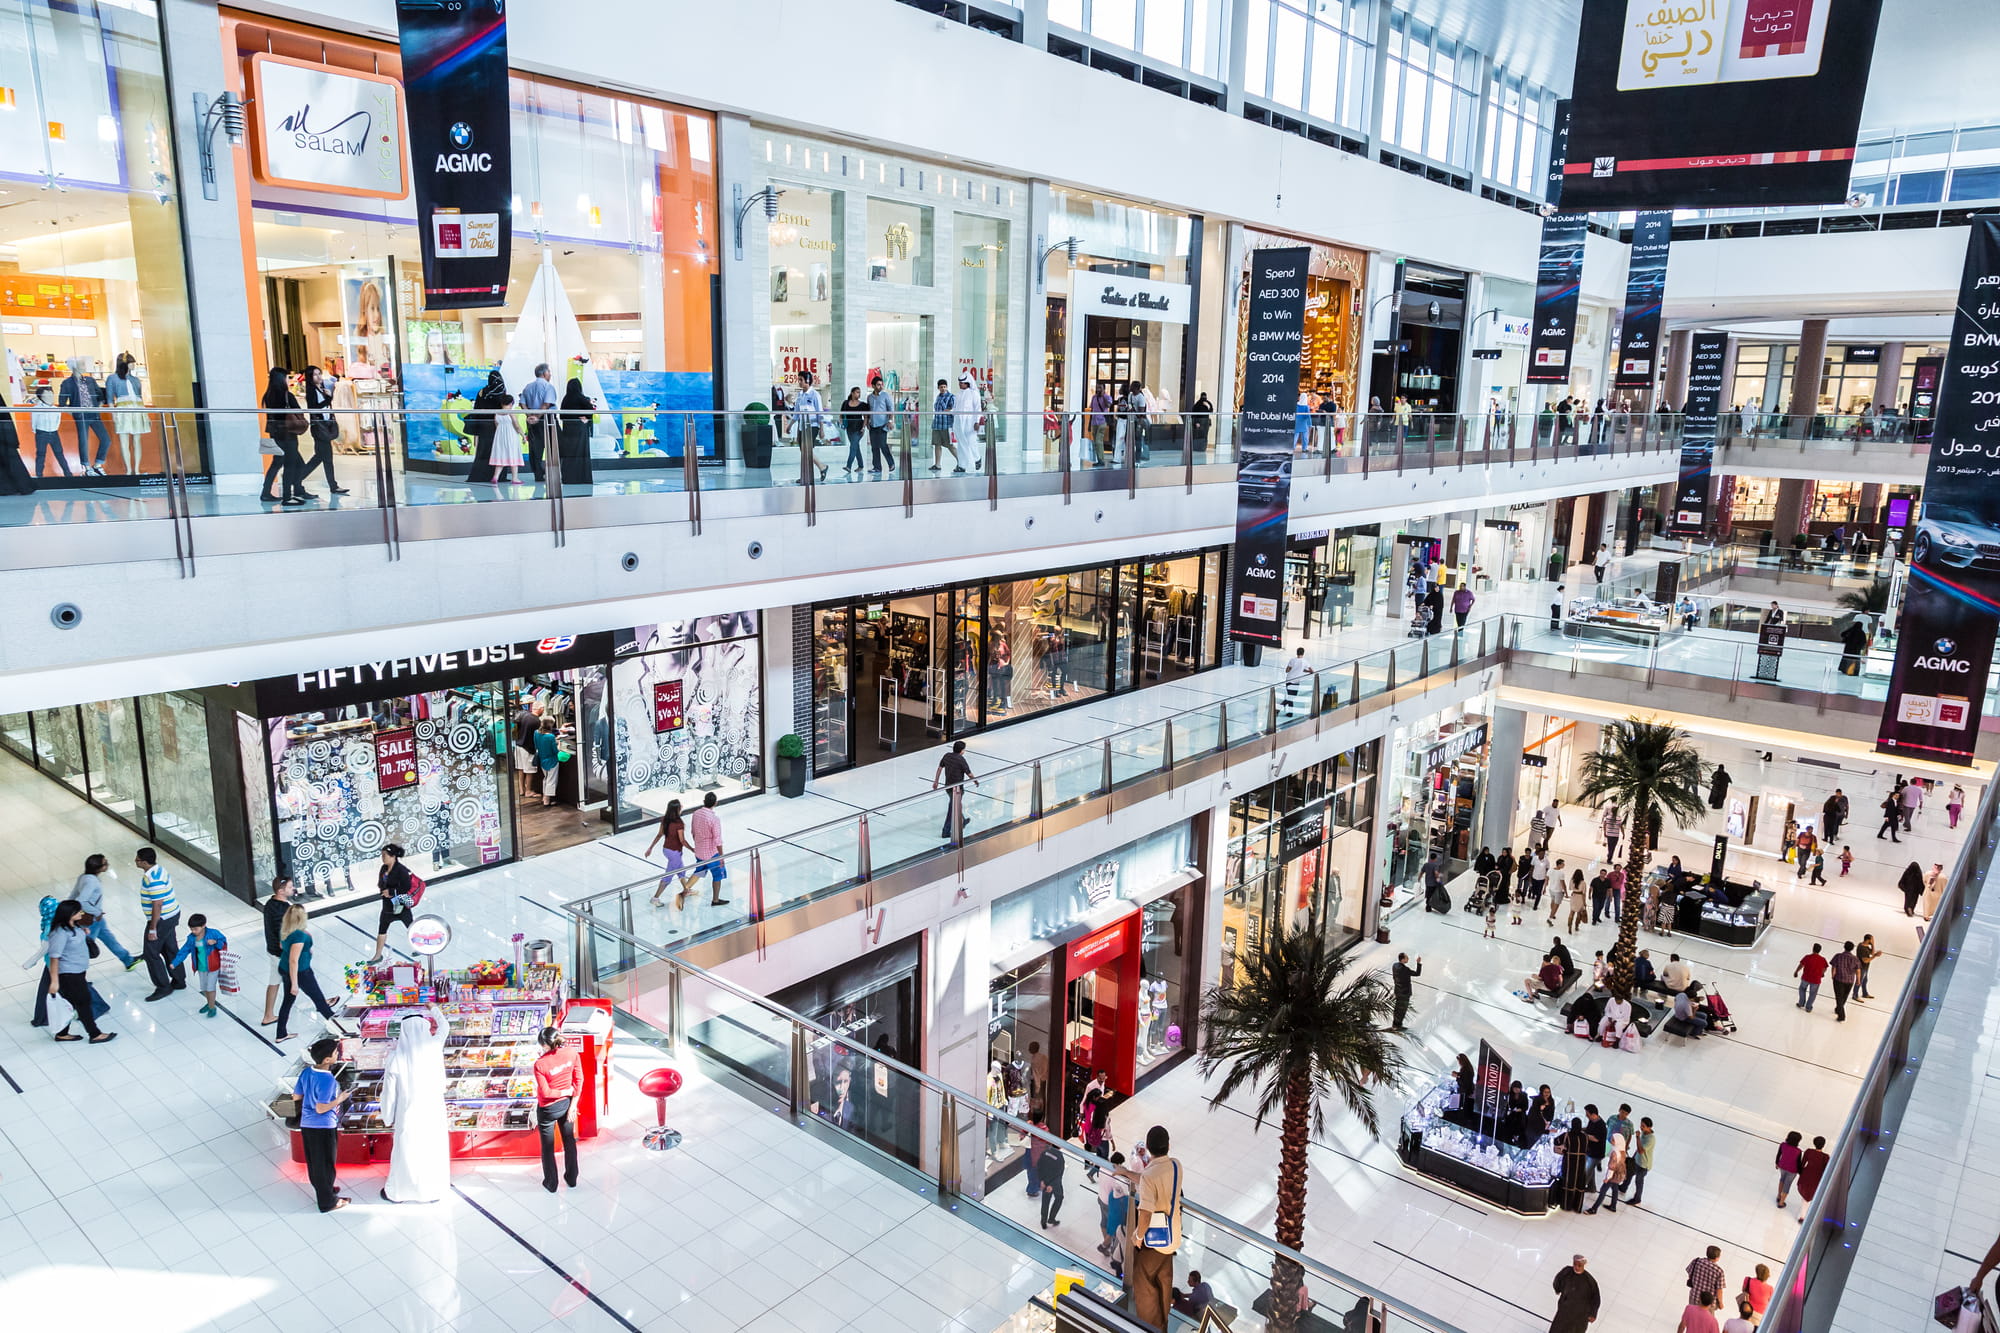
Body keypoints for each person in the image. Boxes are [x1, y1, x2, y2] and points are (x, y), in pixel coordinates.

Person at [381, 1011, 452, 1202]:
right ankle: (432, 1191)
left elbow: (388, 1092)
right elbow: (444, 1027)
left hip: (408, 1112)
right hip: (433, 1110)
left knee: (407, 1151)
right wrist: (434, 1009)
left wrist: (387, 1116)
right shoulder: (434, 1046)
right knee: (432, 1149)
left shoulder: (395, 1058)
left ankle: (400, 1191)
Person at [42, 900, 115, 1043]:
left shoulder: (74, 926)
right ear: (69, 914)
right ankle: (95, 1034)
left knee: (72, 1002)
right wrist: (54, 981)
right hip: (69, 974)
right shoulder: (59, 933)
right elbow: (54, 957)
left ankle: (62, 1033)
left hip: (78, 971)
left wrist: (83, 932)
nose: (81, 913)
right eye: (79, 912)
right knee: (83, 1002)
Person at [1131, 1125, 1182, 1329]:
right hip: (1173, 1236)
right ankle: (1164, 1325)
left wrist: (1138, 1236)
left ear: (1149, 1149)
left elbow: (1145, 1213)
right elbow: (1147, 1180)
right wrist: (1127, 1173)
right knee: (1163, 1284)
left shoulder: (1149, 1175)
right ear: (1168, 1145)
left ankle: (1151, 1328)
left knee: (1145, 1289)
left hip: (1155, 1241)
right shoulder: (1176, 1165)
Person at [295, 1036, 350, 1211]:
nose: (337, 1054)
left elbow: (297, 1096)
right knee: (326, 1164)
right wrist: (340, 1099)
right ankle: (327, 1202)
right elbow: (320, 1108)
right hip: (323, 1126)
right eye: (335, 1053)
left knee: (315, 1163)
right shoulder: (327, 1080)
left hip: (307, 1124)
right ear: (327, 1060)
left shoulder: (306, 1072)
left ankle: (325, 1189)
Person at [276, 903, 344, 1042]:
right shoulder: (300, 936)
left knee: (287, 1002)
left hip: (284, 968)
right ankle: (339, 1028)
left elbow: (282, 946)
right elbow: (293, 961)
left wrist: (306, 950)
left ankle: (281, 1033)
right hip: (300, 972)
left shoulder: (286, 930)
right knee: (319, 999)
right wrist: (295, 984)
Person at [534, 1026, 582, 1192]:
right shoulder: (571, 1053)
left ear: (545, 1046)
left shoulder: (540, 1064)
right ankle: (572, 1179)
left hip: (548, 1109)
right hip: (567, 1105)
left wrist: (562, 1092)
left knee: (547, 1146)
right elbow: (579, 1080)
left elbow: (546, 1092)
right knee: (569, 1141)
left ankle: (551, 1183)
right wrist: (573, 1105)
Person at [66, 853, 135, 970]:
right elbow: (81, 901)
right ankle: (75, 972)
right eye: (105, 863)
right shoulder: (92, 882)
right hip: (91, 920)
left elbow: (73, 896)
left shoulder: (83, 877)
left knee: (108, 937)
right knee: (85, 948)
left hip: (94, 919)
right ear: (98, 868)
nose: (107, 865)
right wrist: (96, 912)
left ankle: (127, 960)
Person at [136, 846, 185, 1001]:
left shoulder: (153, 879)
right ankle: (179, 979)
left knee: (151, 953)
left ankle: (163, 986)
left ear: (144, 862)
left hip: (161, 919)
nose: (135, 861)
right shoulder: (159, 870)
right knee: (170, 948)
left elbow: (157, 904)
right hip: (171, 915)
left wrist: (153, 928)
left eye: (137, 859)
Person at [260, 366, 310, 505]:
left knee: (276, 464)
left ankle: (266, 492)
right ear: (281, 379)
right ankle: (288, 496)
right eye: (287, 377)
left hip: (273, 434)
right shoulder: (287, 396)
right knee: (292, 464)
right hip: (288, 434)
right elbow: (298, 411)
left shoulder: (268, 395)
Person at [298, 365, 350, 495]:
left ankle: (332, 485)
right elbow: (315, 408)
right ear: (310, 377)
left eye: (319, 374)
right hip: (319, 427)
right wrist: (328, 398)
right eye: (315, 375)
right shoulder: (311, 391)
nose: (319, 377)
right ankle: (297, 480)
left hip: (325, 425)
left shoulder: (320, 388)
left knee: (322, 458)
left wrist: (328, 397)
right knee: (323, 458)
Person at [60, 353, 112, 476]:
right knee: (83, 441)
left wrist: (98, 407)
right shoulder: (67, 383)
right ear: (74, 367)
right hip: (81, 416)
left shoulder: (90, 380)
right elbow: (62, 403)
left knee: (106, 439)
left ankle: (98, 464)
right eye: (81, 364)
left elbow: (100, 395)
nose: (84, 366)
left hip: (94, 415)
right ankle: (86, 466)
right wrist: (74, 412)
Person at [169, 914, 228, 1017]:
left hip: (213, 966)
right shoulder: (191, 939)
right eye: (191, 929)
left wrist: (215, 942)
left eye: (195, 929)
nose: (193, 931)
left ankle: (212, 1007)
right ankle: (209, 1002)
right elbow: (184, 951)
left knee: (210, 987)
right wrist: (175, 962)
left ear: (203, 925)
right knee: (204, 987)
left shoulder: (213, 933)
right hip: (201, 967)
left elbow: (223, 944)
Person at [682, 790, 730, 906]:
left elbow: (693, 831)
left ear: (704, 801)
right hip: (712, 853)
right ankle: (715, 899)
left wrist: (698, 844)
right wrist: (721, 856)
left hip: (699, 850)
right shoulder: (714, 819)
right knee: (717, 875)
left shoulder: (696, 813)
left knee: (699, 871)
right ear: (715, 803)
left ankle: (685, 891)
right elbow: (717, 839)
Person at [370, 844, 416, 963]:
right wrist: (383, 890)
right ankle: (377, 955)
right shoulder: (383, 869)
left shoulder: (401, 870)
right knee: (382, 930)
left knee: (411, 927)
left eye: (385, 855)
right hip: (387, 907)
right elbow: (380, 883)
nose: (383, 857)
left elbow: (406, 887)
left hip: (401, 906)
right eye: (382, 855)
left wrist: (391, 892)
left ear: (393, 856)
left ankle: (419, 946)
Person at [261, 876, 297, 1025]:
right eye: (290, 887)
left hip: (272, 950)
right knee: (303, 977)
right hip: (282, 953)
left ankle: (268, 1015)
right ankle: (321, 1003)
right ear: (281, 891)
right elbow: (285, 935)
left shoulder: (269, 903)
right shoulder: (284, 910)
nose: (293, 888)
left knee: (274, 982)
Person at [517, 363, 559, 484]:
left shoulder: (528, 387)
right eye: (549, 372)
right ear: (544, 373)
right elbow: (546, 404)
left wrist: (530, 416)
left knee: (535, 448)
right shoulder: (548, 386)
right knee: (553, 447)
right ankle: (551, 472)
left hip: (531, 422)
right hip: (547, 420)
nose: (550, 374)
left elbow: (522, 404)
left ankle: (538, 475)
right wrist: (537, 417)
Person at [646, 798, 690, 907]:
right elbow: (682, 840)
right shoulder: (679, 823)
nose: (682, 806)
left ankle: (687, 889)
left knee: (681, 870)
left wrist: (650, 848)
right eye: (680, 805)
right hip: (675, 852)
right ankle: (655, 898)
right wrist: (693, 849)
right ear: (677, 809)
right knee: (668, 877)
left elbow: (659, 834)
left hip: (666, 850)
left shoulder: (665, 819)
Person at [554, 378, 597, 490]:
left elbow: (562, 416)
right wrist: (584, 418)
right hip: (579, 430)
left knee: (569, 455)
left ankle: (568, 478)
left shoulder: (566, 399)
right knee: (581, 453)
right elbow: (590, 410)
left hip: (568, 430)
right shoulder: (580, 397)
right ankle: (582, 477)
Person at [934, 740, 978, 844]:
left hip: (948, 786)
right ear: (961, 751)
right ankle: (946, 830)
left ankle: (962, 821)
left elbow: (940, 768)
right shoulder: (961, 759)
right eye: (964, 750)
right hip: (957, 789)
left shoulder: (947, 756)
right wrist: (975, 781)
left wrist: (936, 781)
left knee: (955, 805)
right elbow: (969, 774)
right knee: (952, 808)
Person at [1549, 1255, 1600, 1333]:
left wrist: (1593, 1313)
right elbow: (1558, 1279)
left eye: (1579, 1265)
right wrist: (1557, 1289)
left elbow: (1596, 1298)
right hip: (1564, 1310)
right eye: (1575, 1264)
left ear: (1584, 1265)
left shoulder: (1589, 1281)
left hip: (1580, 1315)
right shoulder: (1566, 1271)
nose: (1576, 1267)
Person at [1555, 1119, 1588, 1211]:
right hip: (1581, 1162)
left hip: (1570, 1161)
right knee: (1579, 1182)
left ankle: (1566, 1205)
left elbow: (1556, 1141)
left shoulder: (1567, 1135)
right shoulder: (1585, 1136)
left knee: (1569, 1181)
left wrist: (1565, 1149)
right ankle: (1577, 1207)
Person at [865, 375, 895, 474]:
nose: (881, 386)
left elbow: (891, 409)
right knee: (874, 447)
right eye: (878, 385)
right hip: (873, 425)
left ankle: (891, 463)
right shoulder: (869, 397)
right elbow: (868, 410)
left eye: (882, 384)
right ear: (873, 386)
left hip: (883, 425)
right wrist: (868, 422)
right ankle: (877, 467)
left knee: (883, 445)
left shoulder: (886, 396)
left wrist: (890, 421)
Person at [1037, 1133, 1066, 1227]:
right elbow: (1059, 1173)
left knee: (1045, 1201)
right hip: (1054, 1183)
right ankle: (1051, 1218)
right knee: (1059, 1197)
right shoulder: (1060, 1158)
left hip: (1045, 1181)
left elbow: (1039, 1166)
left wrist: (1041, 1180)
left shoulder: (1044, 1152)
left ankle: (1043, 1221)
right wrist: (1052, 1185)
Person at [1795, 1135, 1830, 1214]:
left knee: (1805, 1195)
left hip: (1807, 1175)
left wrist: (1801, 1173)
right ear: (1823, 1145)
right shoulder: (1826, 1157)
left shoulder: (1809, 1151)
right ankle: (1805, 1214)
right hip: (1817, 1178)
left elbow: (1802, 1164)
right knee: (1812, 1195)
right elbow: (1826, 1170)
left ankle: (1802, 1215)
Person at [533, 715, 562, 806]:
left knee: (546, 778)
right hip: (552, 760)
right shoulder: (550, 737)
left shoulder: (536, 733)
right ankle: (547, 799)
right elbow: (555, 751)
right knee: (551, 780)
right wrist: (559, 744)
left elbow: (536, 745)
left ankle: (544, 796)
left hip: (542, 758)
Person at [1627, 1117, 1655, 1206]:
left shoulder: (1651, 1139)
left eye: (1643, 1126)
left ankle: (1637, 1199)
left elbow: (1641, 1150)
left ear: (1649, 1127)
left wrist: (1638, 1138)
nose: (1641, 1127)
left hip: (1643, 1165)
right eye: (1641, 1125)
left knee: (1639, 1182)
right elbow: (1638, 1149)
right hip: (1637, 1160)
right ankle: (1624, 1187)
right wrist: (1634, 1156)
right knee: (1629, 1173)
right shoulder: (1644, 1133)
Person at [1828, 941, 1859, 1021]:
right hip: (1850, 981)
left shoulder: (1838, 956)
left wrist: (1833, 975)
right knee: (1844, 996)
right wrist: (1858, 980)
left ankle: (1842, 1016)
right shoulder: (1855, 959)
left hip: (1839, 979)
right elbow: (1858, 970)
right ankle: (1838, 1009)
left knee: (1839, 997)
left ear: (1844, 947)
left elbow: (1834, 967)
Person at [1391, 952, 1421, 1031]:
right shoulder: (1405, 969)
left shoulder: (1394, 965)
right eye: (1407, 958)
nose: (1408, 959)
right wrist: (1418, 963)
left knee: (1397, 1008)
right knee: (1402, 1010)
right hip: (1405, 993)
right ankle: (1398, 1026)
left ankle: (1395, 1024)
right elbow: (1417, 973)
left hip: (1398, 991)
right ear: (1403, 959)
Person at [1774, 1130, 1803, 1206]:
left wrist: (1777, 1163)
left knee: (1782, 1180)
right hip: (1792, 1170)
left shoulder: (1783, 1145)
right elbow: (1798, 1163)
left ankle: (1778, 1196)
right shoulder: (1798, 1151)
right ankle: (1781, 1203)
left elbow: (1778, 1154)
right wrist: (1800, 1173)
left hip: (1782, 1166)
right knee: (1787, 1185)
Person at [1794, 944, 1827, 1011]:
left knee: (1802, 989)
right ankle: (1808, 1007)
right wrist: (1822, 973)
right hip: (1816, 980)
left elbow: (1801, 965)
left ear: (1813, 949)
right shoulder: (1823, 959)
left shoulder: (1807, 957)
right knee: (1813, 994)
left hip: (1806, 978)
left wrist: (1796, 971)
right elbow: (1825, 967)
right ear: (1820, 950)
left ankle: (1801, 1003)